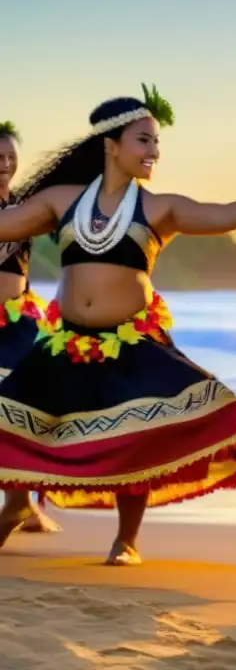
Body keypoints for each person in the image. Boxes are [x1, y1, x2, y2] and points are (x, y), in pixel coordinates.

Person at [0, 86, 236, 565]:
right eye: (144, 140)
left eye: (157, 143)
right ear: (111, 145)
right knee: (15, 422)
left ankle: (127, 541)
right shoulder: (62, 201)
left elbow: (217, 215)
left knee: (138, 441)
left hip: (131, 345)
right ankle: (15, 509)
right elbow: (6, 225)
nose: (154, 152)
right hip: (65, 344)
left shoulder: (160, 208)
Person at [0, 122, 61, 535]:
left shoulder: (25, 205)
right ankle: (19, 503)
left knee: (24, 412)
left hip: (19, 321)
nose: (4, 164)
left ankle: (21, 502)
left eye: (10, 157)